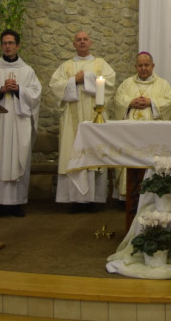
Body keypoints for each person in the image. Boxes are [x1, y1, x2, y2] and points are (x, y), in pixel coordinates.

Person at [0, 30, 42, 218]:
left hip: (19, 122)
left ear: (17, 46)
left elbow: (36, 94)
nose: (8, 46)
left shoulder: (27, 71)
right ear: (1, 46)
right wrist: (0, 89)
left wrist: (19, 89)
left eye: (11, 43)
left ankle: (16, 203)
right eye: (4, 43)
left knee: (18, 158)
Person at [49, 31, 116, 213]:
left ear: (90, 42)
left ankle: (93, 199)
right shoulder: (66, 66)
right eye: (78, 40)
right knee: (73, 154)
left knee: (93, 154)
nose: (82, 42)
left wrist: (84, 78)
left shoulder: (101, 64)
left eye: (85, 39)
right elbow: (55, 86)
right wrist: (73, 80)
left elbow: (109, 83)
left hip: (95, 117)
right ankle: (75, 200)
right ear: (74, 44)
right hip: (71, 121)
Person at [112, 52, 171, 121]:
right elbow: (118, 100)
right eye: (140, 65)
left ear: (152, 66)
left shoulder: (163, 84)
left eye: (146, 65)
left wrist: (151, 102)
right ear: (136, 67)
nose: (143, 68)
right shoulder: (126, 83)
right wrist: (130, 103)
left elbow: (169, 103)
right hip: (130, 126)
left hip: (153, 126)